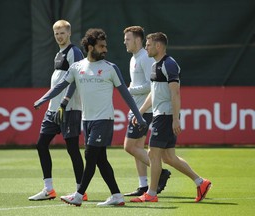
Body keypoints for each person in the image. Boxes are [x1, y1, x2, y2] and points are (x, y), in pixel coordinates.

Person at [33, 28, 147, 207]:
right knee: (101, 159)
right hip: (87, 121)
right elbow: (61, 86)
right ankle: (117, 195)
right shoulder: (77, 67)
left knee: (90, 155)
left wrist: (139, 116)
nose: (105, 49)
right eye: (101, 46)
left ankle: (78, 195)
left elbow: (125, 94)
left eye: (105, 46)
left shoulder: (111, 68)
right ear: (90, 46)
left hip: (104, 120)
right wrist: (43, 98)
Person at [130, 32, 211, 203]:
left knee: (153, 154)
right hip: (161, 115)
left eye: (149, 44)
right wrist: (141, 111)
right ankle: (201, 182)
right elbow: (154, 93)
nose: (146, 47)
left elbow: (175, 93)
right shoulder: (155, 65)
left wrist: (175, 118)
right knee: (168, 157)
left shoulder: (170, 64)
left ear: (158, 46)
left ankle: (151, 194)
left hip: (166, 116)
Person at [28, 20, 87, 201]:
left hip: (68, 109)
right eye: (56, 33)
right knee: (41, 144)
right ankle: (48, 189)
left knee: (72, 149)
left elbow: (75, 79)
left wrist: (65, 101)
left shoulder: (74, 52)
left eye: (62, 33)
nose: (59, 36)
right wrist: (45, 100)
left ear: (69, 33)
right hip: (53, 109)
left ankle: (80, 191)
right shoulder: (59, 53)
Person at [122, 26, 171, 197]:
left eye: (128, 39)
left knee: (129, 147)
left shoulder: (144, 57)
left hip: (145, 109)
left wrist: (130, 90)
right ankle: (143, 185)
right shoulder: (134, 58)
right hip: (137, 108)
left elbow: (152, 86)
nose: (125, 42)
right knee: (137, 147)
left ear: (137, 40)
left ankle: (160, 172)